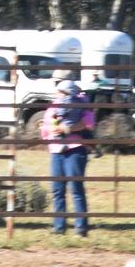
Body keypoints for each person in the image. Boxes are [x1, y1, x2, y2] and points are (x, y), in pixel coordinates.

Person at [40, 79, 95, 237]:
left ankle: (81, 228)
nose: (58, 94)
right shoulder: (53, 106)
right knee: (57, 190)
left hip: (75, 149)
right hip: (56, 150)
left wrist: (68, 128)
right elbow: (46, 125)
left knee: (76, 189)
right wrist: (52, 130)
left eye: (61, 91)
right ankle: (59, 227)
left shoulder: (81, 104)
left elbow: (89, 122)